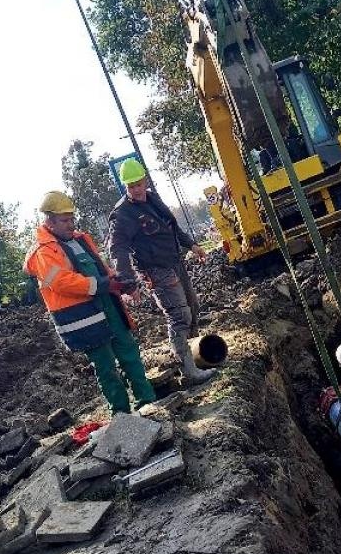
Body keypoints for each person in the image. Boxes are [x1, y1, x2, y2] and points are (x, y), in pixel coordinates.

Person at [24, 190, 158, 414]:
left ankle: (148, 402)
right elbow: (62, 282)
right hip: (84, 318)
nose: (70, 224)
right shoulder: (44, 252)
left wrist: (117, 280)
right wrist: (105, 285)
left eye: (71, 219)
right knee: (105, 367)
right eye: (64, 221)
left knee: (129, 353)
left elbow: (99, 268)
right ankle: (121, 414)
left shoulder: (79, 239)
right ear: (49, 221)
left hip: (109, 308)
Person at [108, 158, 210, 386]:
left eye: (138, 184)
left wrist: (191, 244)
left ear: (145, 181)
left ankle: (194, 355)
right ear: (126, 186)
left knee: (192, 308)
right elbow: (117, 250)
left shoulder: (153, 199)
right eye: (130, 186)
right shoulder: (123, 214)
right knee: (178, 314)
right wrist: (129, 283)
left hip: (175, 262)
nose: (135, 189)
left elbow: (172, 227)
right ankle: (189, 372)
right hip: (155, 270)